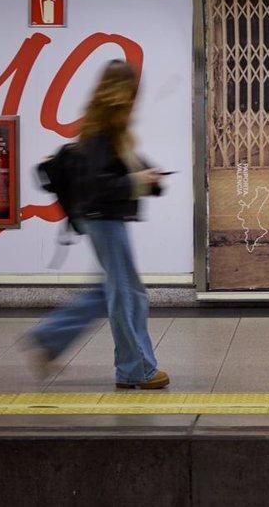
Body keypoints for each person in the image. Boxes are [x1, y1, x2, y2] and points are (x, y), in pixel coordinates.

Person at [27, 59, 170, 390]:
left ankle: (49, 337)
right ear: (124, 92)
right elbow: (100, 185)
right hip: (104, 220)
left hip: (102, 219)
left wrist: (149, 179)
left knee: (110, 289)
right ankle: (136, 369)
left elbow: (119, 171)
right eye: (133, 92)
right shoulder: (102, 132)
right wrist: (137, 180)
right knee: (128, 293)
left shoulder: (108, 129)